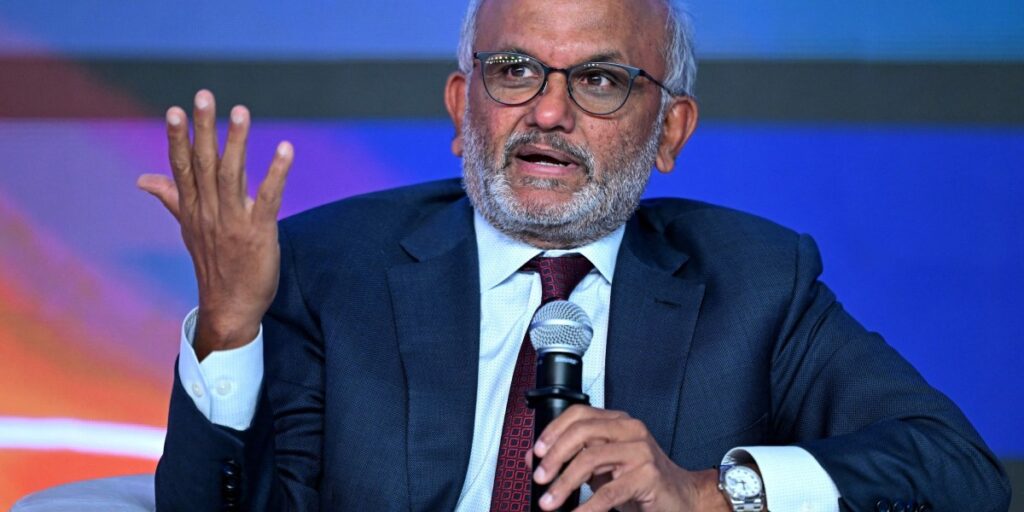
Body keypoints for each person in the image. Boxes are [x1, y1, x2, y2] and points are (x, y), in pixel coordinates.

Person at [137, 0, 1011, 510]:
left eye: (598, 81)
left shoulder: (753, 282)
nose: (548, 113)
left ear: (670, 130)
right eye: (515, 70)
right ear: (462, 107)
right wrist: (229, 330)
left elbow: (957, 471)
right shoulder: (329, 268)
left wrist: (708, 493)